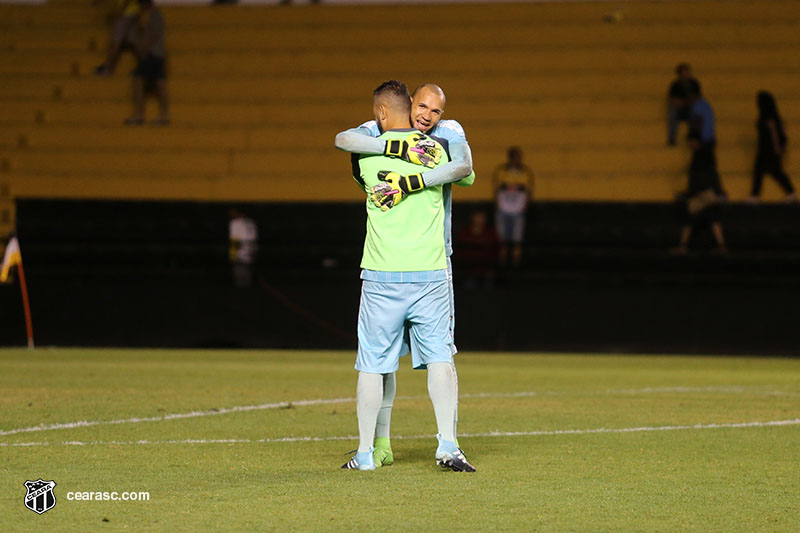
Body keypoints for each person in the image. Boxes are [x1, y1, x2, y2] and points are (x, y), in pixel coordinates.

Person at [335, 83, 474, 468]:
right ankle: (447, 445)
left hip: (381, 273)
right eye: (422, 107)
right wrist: (411, 163)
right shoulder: (439, 150)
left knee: (374, 364)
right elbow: (464, 171)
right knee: (441, 357)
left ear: (382, 111)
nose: (428, 115)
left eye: (436, 111)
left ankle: (368, 451)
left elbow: (345, 144)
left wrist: (392, 159)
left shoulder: (364, 152)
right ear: (410, 104)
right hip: (430, 271)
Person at [673, 83, 727, 254]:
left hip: (705, 193)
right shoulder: (706, 105)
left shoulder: (699, 157)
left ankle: (683, 245)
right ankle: (721, 245)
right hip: (712, 193)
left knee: (691, 213)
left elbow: (698, 178)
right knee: (712, 216)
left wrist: (693, 193)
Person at [746, 91, 797, 203]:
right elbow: (783, 133)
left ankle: (755, 195)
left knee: (766, 171)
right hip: (769, 149)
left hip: (767, 150)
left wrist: (777, 148)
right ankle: (790, 192)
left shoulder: (767, 117)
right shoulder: (775, 116)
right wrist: (781, 148)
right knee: (773, 171)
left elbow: (774, 134)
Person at [124, 0, 169, 125]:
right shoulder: (154, 14)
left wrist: (144, 47)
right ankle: (164, 116)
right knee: (160, 84)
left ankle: (139, 115)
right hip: (158, 54)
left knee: (138, 79)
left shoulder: (154, 15)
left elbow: (154, 35)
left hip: (152, 54)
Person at [492, 146, 534, 267]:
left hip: (518, 211)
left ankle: (516, 265)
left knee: (517, 240)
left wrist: (525, 206)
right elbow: (496, 189)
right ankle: (502, 264)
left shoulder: (525, 172)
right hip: (503, 209)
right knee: (502, 240)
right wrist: (498, 205)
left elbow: (529, 190)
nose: (517, 159)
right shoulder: (501, 171)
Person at [93, 0, 140, 76]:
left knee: (115, 44)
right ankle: (145, 67)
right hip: (134, 14)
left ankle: (107, 69)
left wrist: (120, 12)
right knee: (134, 43)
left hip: (126, 15)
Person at [667, 63, 701, 146]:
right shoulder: (675, 85)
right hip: (679, 111)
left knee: (697, 111)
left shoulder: (694, 84)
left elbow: (697, 100)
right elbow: (672, 102)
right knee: (672, 112)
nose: (687, 75)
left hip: (690, 110)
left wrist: (683, 102)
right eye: (685, 73)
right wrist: (686, 102)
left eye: (688, 72)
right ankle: (672, 138)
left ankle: (693, 138)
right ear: (679, 75)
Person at [228, 208, 258, 287]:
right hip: (248, 251)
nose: (230, 215)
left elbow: (235, 240)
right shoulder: (251, 222)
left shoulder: (235, 223)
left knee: (241, 277)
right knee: (246, 276)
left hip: (241, 252)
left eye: (232, 213)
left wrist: (233, 255)